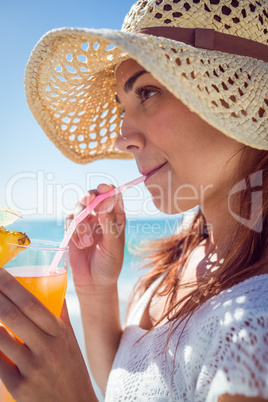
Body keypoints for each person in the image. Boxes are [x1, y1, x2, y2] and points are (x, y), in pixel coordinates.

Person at [1, 0, 268, 400]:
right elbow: (128, 385)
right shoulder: (183, 248)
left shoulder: (253, 330)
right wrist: (96, 292)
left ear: (236, 95)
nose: (121, 138)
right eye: (121, 107)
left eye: (147, 91)